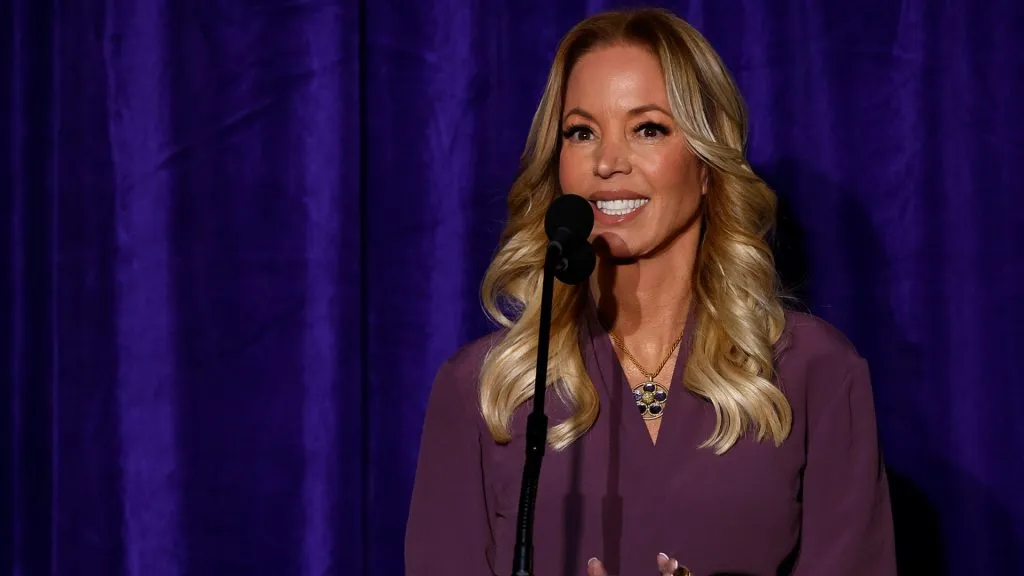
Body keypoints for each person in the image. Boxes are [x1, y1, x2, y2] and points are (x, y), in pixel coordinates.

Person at [405, 7, 896, 576]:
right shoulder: (486, 389)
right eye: (581, 132)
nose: (608, 162)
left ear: (707, 164)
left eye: (648, 129)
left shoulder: (813, 372)